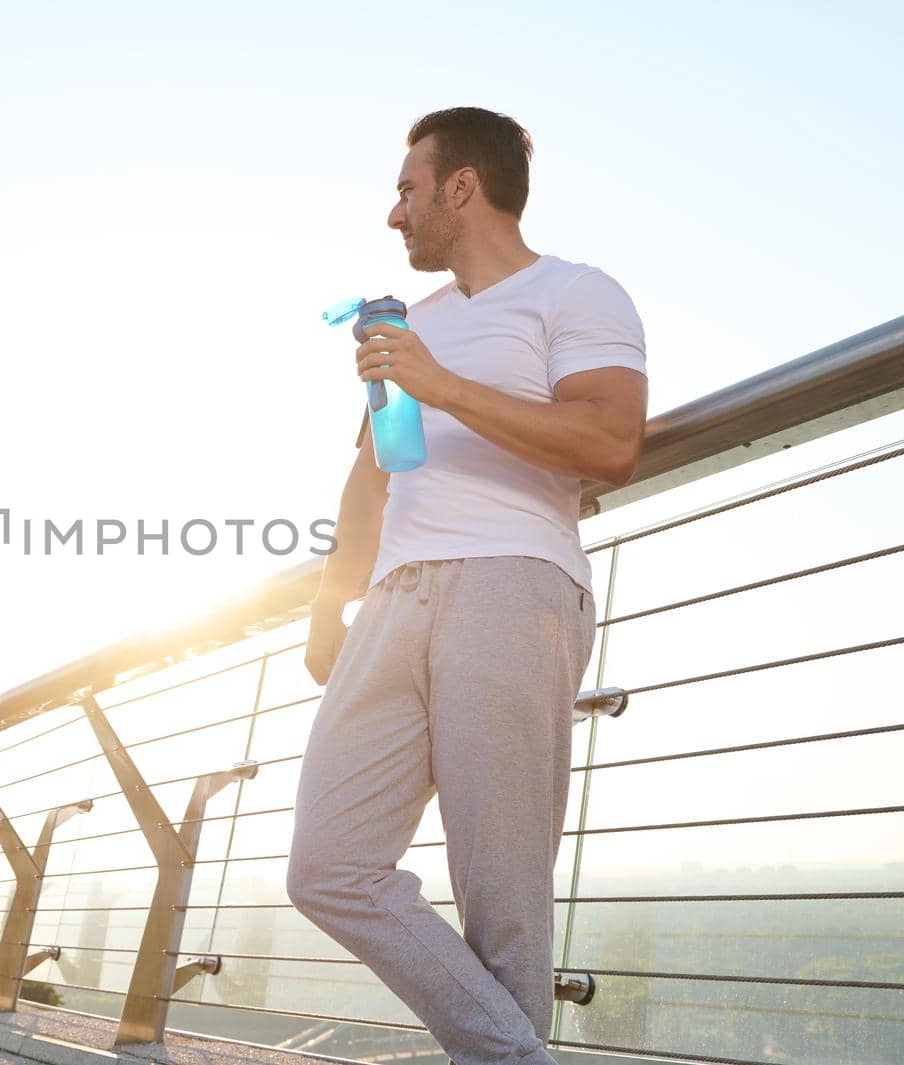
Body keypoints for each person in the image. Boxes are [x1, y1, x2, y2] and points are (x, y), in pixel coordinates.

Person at [285, 107, 649, 1065]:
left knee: (503, 901)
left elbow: (609, 442)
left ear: (461, 187)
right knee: (329, 865)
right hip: (394, 601)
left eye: (408, 189)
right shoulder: (412, 325)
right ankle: (519, 1055)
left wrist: (441, 385)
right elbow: (373, 472)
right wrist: (333, 600)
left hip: (514, 583)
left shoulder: (576, 293)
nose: (393, 213)